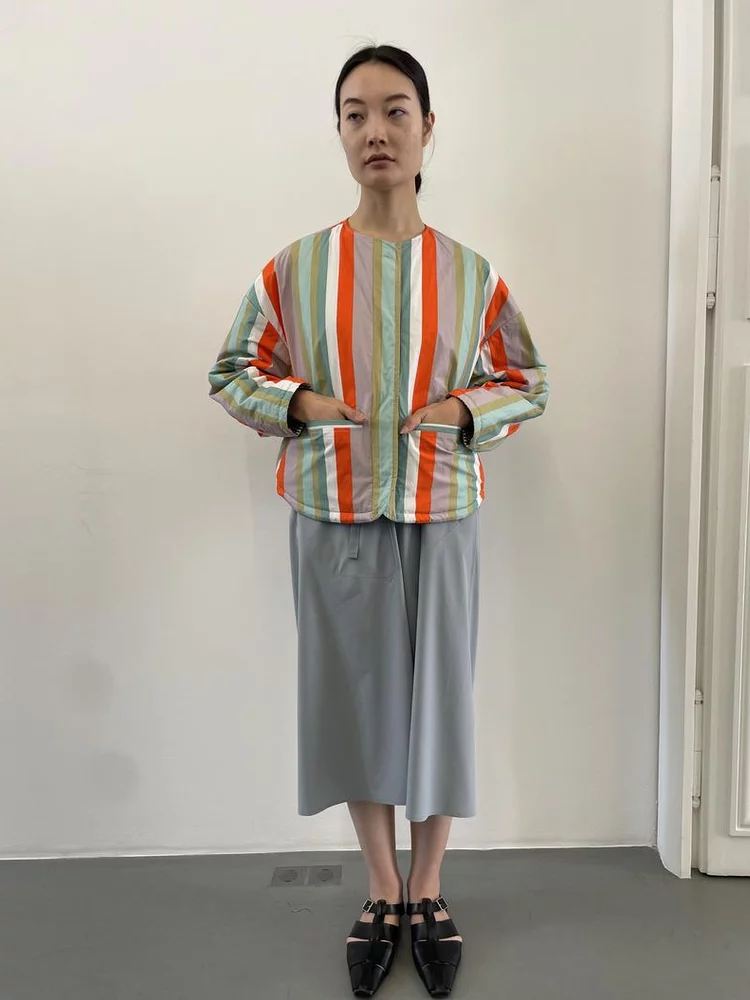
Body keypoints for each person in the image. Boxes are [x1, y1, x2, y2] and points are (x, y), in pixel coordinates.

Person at [208, 43, 549, 999]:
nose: (376, 131)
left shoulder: (472, 275)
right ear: (340, 133)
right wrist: (302, 405)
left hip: (442, 510)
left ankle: (429, 888)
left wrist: (464, 412)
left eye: (396, 110)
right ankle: (382, 888)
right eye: (355, 113)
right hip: (335, 509)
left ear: (428, 128)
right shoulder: (297, 269)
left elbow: (527, 379)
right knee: (355, 699)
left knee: (439, 697)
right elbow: (232, 370)